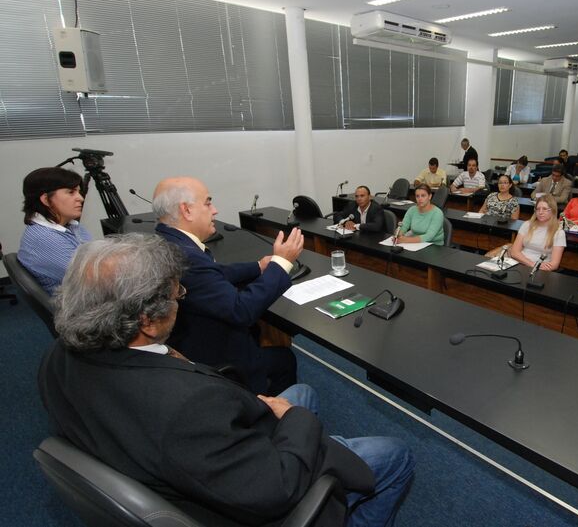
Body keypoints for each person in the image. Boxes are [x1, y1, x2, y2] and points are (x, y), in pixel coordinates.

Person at [38, 233, 414, 527]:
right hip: (258, 489)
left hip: (180, 455)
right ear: (147, 321)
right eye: (176, 294)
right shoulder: (188, 407)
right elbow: (276, 489)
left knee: (303, 390)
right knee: (395, 455)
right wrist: (294, 418)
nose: (180, 300)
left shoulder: (57, 358)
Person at [152, 176, 301, 396]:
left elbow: (212, 273)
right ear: (187, 210)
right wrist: (282, 262)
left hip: (191, 339)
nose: (215, 210)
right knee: (285, 358)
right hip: (217, 356)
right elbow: (241, 310)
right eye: (208, 203)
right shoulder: (187, 257)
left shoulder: (168, 240)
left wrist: (258, 267)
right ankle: (269, 412)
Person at [17, 167, 93, 295]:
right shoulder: (43, 238)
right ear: (46, 200)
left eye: (79, 192)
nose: (81, 198)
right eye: (71, 192)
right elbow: (96, 277)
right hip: (80, 302)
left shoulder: (70, 225)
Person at [509, 195, 566, 270]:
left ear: (553, 211)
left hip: (541, 269)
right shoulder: (527, 225)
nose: (540, 212)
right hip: (520, 263)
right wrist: (532, 264)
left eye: (545, 209)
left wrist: (536, 267)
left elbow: (554, 264)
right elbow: (514, 252)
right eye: (538, 209)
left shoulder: (559, 233)